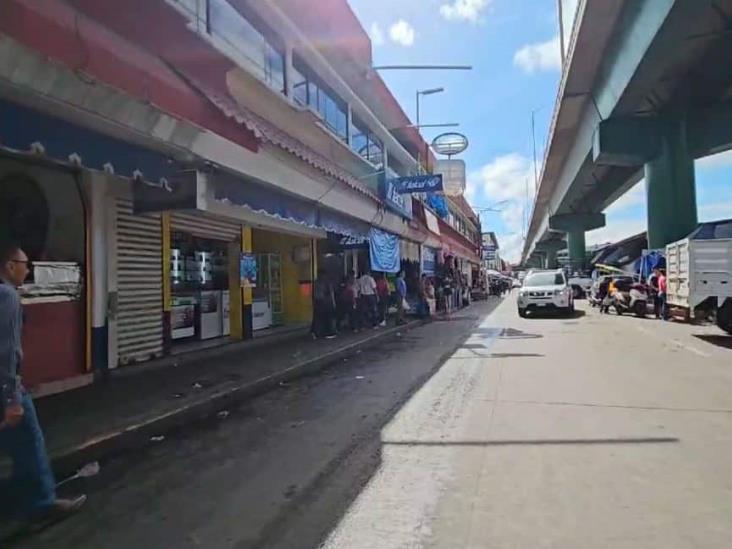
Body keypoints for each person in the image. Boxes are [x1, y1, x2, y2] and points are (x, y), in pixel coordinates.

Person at [0, 242, 86, 522]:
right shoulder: (8, 297)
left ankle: (17, 498)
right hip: (6, 390)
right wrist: (12, 397)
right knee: (30, 443)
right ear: (10, 266)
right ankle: (42, 503)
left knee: (18, 446)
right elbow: (8, 350)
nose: (27, 271)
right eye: (25, 265)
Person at [312, 269, 336, 339]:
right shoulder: (326, 282)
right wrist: (333, 303)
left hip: (319, 301)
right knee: (326, 318)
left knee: (319, 318)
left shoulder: (317, 282)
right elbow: (330, 293)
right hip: (324, 302)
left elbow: (314, 293)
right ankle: (327, 332)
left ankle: (317, 332)